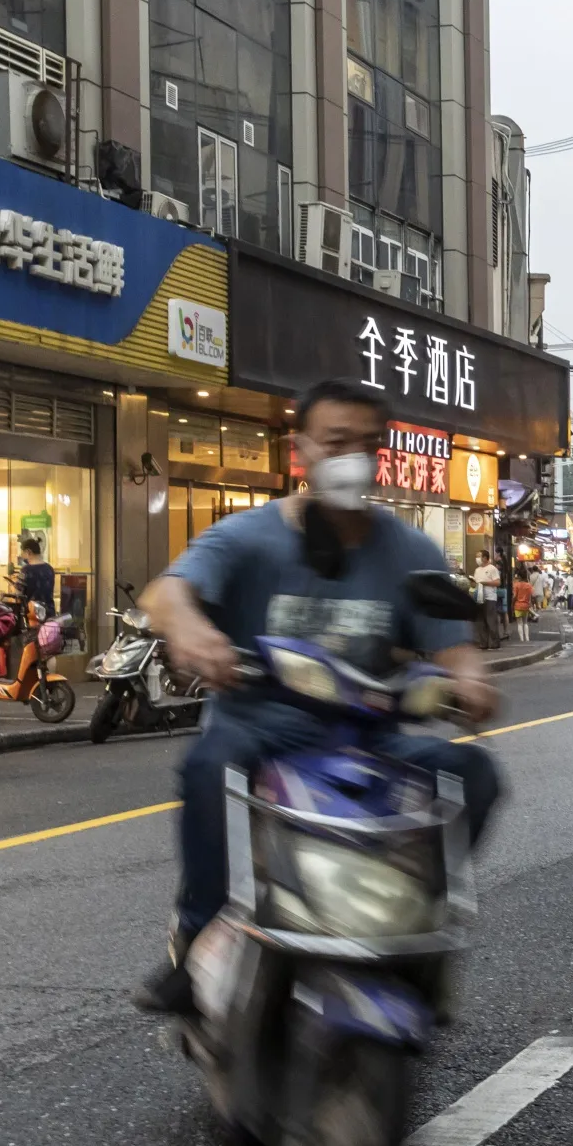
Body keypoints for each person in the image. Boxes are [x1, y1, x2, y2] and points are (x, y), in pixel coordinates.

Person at [132, 378, 501, 1013]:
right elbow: (167, 593)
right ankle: (197, 938)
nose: (352, 457)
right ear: (300, 449)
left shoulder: (409, 549)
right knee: (206, 765)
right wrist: (194, 635)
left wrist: (469, 681)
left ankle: (416, 923)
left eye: (367, 444)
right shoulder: (248, 537)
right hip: (261, 728)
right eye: (336, 442)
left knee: (473, 772)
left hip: (369, 738)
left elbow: (452, 646)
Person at [16, 537, 56, 619]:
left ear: (28, 552)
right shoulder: (49, 568)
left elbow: (18, 595)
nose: (22, 556)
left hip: (33, 615)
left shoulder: (25, 570)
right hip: (49, 614)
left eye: (23, 553)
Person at [472, 550, 503, 650]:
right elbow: (476, 582)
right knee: (480, 621)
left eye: (479, 556)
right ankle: (483, 643)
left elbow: (498, 583)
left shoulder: (492, 569)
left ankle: (494, 643)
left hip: (490, 597)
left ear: (485, 558)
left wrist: (485, 583)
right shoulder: (477, 570)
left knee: (491, 620)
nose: (477, 559)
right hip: (479, 598)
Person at [511, 566, 533, 642]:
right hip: (526, 605)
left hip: (518, 605)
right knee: (525, 622)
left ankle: (521, 639)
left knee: (519, 623)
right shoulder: (529, 585)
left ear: (519, 576)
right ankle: (527, 638)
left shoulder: (516, 585)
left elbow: (514, 596)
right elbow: (530, 596)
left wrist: (512, 603)